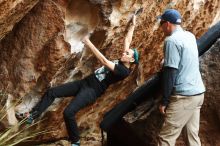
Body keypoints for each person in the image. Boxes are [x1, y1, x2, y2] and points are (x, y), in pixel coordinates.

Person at [17, 15, 139, 146]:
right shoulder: (124, 60)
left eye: (127, 54)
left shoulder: (124, 71)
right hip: (84, 83)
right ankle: (32, 116)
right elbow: (127, 39)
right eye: (126, 52)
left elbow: (103, 61)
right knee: (52, 92)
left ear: (131, 60)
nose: (124, 53)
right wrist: (133, 23)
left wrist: (89, 43)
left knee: (68, 113)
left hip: (92, 91)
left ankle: (76, 141)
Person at [157, 9, 205, 146]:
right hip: (198, 94)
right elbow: (184, 60)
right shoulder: (190, 36)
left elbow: (170, 72)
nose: (160, 28)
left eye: (161, 23)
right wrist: (166, 61)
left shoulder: (171, 41)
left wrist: (164, 101)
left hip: (184, 98)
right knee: (192, 137)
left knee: (166, 138)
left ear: (167, 24)